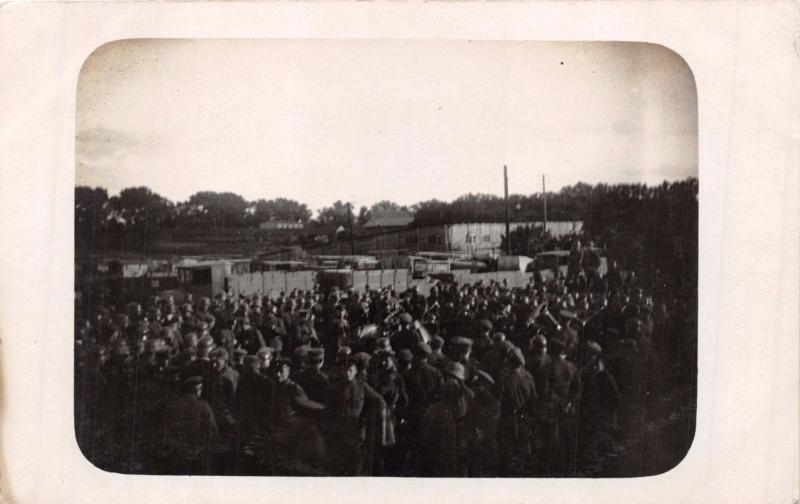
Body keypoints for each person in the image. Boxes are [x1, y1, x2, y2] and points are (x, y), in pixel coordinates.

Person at [326, 359, 386, 476]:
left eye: (350, 370)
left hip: (357, 429)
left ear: (355, 372)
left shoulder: (362, 386)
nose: (346, 373)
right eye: (344, 370)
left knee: (356, 460)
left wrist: (367, 416)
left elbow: (379, 401)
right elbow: (329, 409)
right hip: (340, 429)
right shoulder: (334, 388)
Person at [161, 376, 219, 475]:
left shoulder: (172, 404)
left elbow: (165, 428)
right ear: (197, 390)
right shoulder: (203, 405)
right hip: (197, 453)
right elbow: (214, 430)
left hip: (176, 452)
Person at [496, 347, 538, 475]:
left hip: (507, 417)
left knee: (507, 448)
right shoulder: (528, 377)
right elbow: (534, 398)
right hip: (523, 417)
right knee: (522, 447)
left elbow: (498, 399)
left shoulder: (504, 378)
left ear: (509, 361)